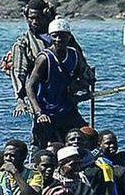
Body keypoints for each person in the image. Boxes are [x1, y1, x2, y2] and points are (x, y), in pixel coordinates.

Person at [26, 19, 94, 149]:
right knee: (49, 146)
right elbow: (30, 86)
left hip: (67, 109)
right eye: (54, 36)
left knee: (88, 136)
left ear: (69, 37)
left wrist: (83, 88)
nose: (58, 39)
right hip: (47, 112)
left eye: (62, 36)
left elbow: (81, 78)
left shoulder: (75, 55)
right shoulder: (44, 59)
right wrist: (39, 112)